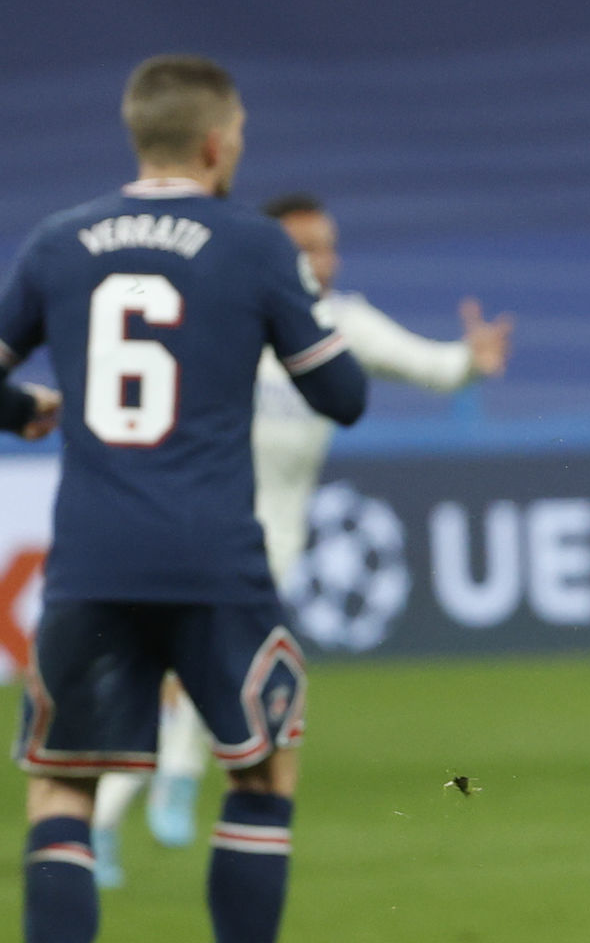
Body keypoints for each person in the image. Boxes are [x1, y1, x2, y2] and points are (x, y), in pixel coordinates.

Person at [0, 55, 367, 943]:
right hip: (214, 559)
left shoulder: (57, 241)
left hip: (92, 561)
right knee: (262, 774)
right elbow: (343, 396)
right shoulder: (256, 244)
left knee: (63, 791)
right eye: (238, 134)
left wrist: (26, 410)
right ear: (214, 143)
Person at [89, 193, 513, 884]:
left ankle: (115, 814)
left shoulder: (342, 324)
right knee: (200, 670)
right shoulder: (221, 314)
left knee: (201, 677)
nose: (322, 260)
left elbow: (431, 366)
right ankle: (168, 787)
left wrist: (472, 360)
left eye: (327, 245)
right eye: (304, 247)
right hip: (200, 521)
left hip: (277, 539)